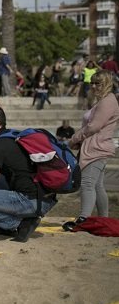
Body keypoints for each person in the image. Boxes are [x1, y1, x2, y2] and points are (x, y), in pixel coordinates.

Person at [0, 104, 57, 242]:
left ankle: (17, 224)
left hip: (30, 201)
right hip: (44, 199)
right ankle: (4, 226)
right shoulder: (10, 137)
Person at [67, 70, 119, 223]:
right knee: (97, 185)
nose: (94, 86)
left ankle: (83, 219)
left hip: (96, 149)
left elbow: (94, 126)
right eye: (93, 83)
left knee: (87, 183)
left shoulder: (107, 102)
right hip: (96, 147)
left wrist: (73, 139)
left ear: (107, 84)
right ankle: (104, 219)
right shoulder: (104, 101)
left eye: (98, 83)